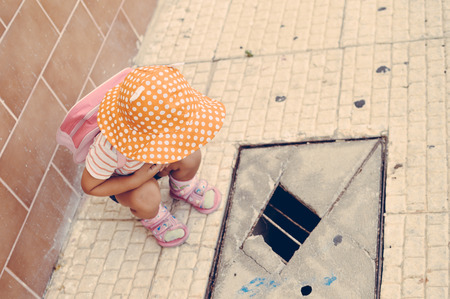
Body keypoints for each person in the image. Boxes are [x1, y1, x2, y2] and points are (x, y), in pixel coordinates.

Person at [81, 65, 226, 247]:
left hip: (153, 166)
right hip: (129, 179)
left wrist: (167, 155)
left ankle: (183, 188)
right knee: (146, 196)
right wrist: (136, 179)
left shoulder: (161, 123)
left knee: (191, 154)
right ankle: (153, 217)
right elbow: (89, 186)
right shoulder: (108, 148)